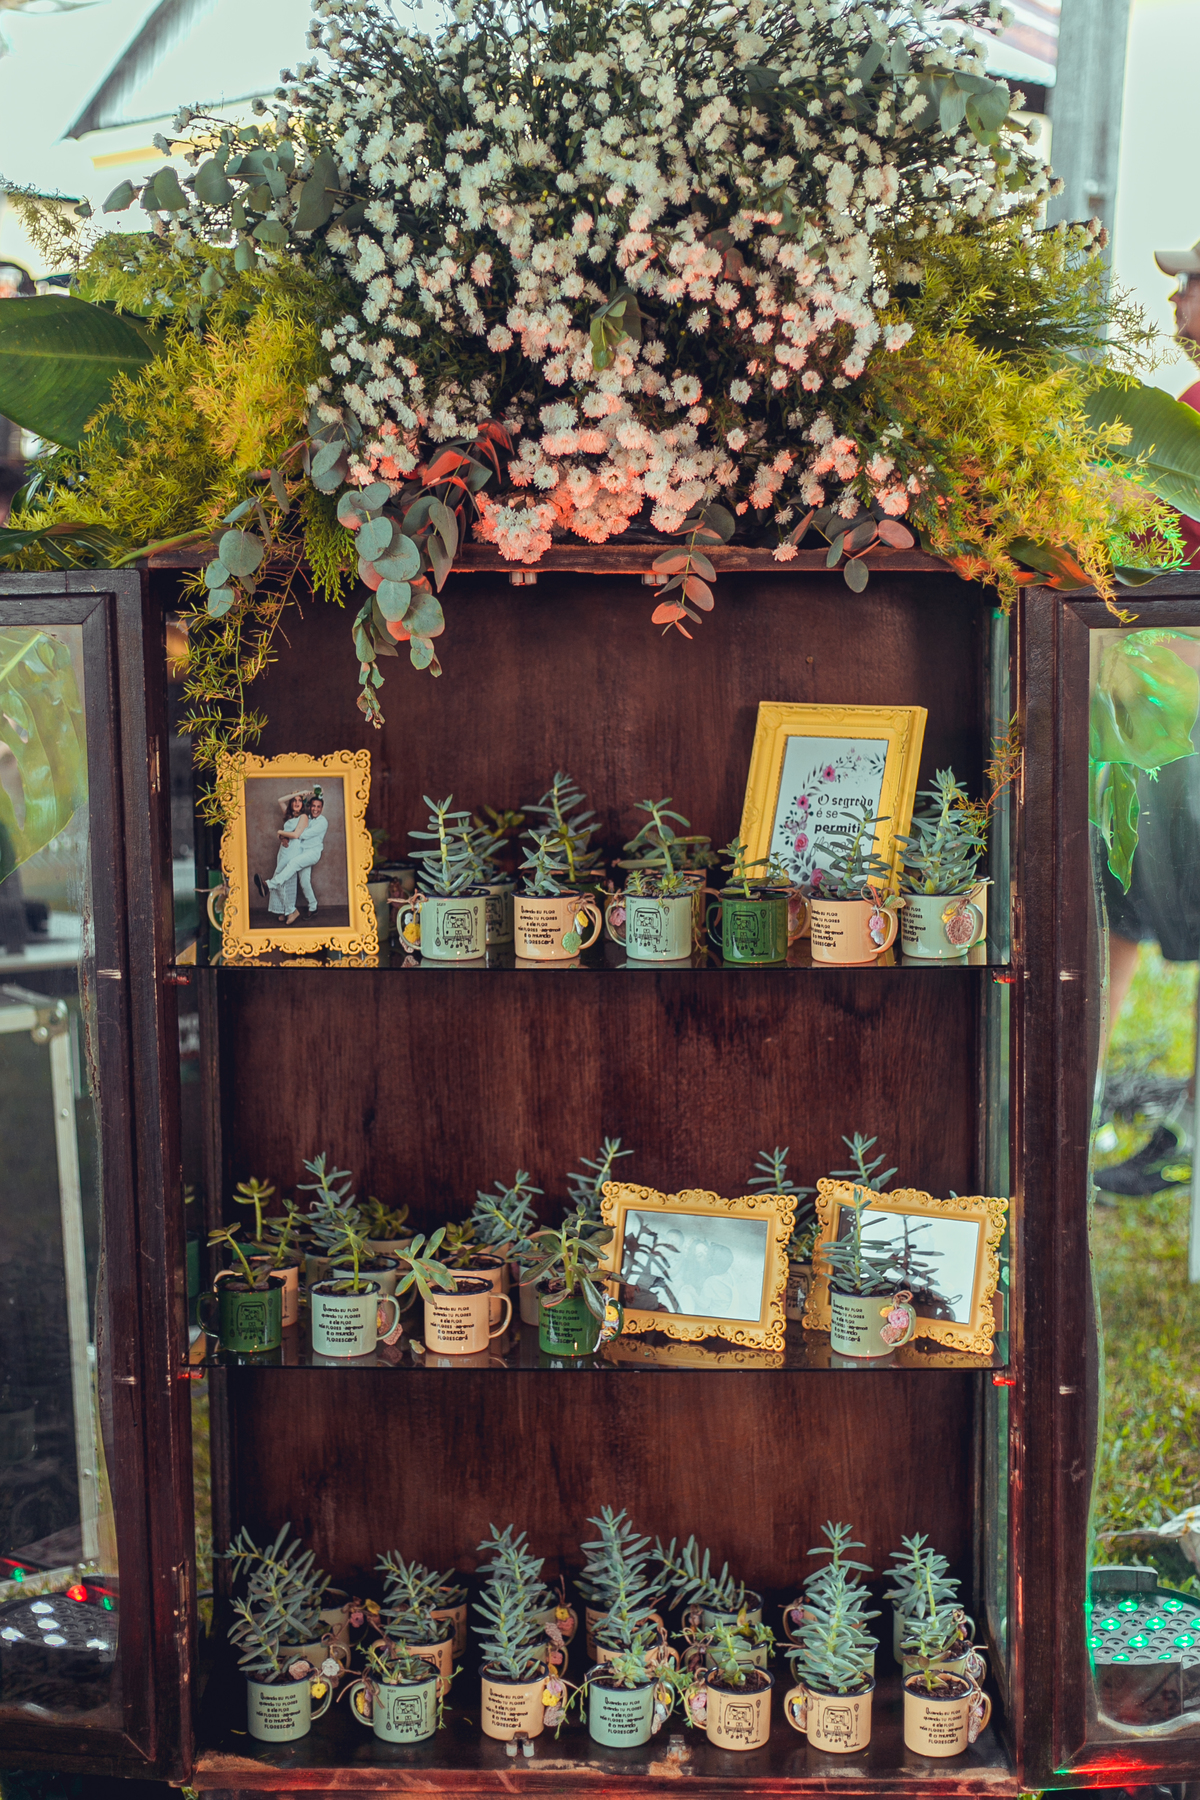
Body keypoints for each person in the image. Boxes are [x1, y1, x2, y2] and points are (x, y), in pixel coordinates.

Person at [1096, 237, 1200, 1196]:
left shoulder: (1187, 418)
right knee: (1116, 895)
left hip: (1179, 705)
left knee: (1120, 896)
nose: (1177, 303)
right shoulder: (1184, 407)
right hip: (1161, 702)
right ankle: (1090, 1107)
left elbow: (1149, 535)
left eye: (1194, 285)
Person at [257, 790, 328, 926]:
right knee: (304, 882)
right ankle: (312, 907)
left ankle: (269, 885)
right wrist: (300, 793)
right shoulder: (306, 817)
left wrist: (281, 834)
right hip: (301, 851)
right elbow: (280, 800)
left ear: (322, 809)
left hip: (311, 853)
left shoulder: (321, 821)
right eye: (313, 806)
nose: (315, 809)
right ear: (310, 806)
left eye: (318, 807)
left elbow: (300, 835)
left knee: (292, 865)